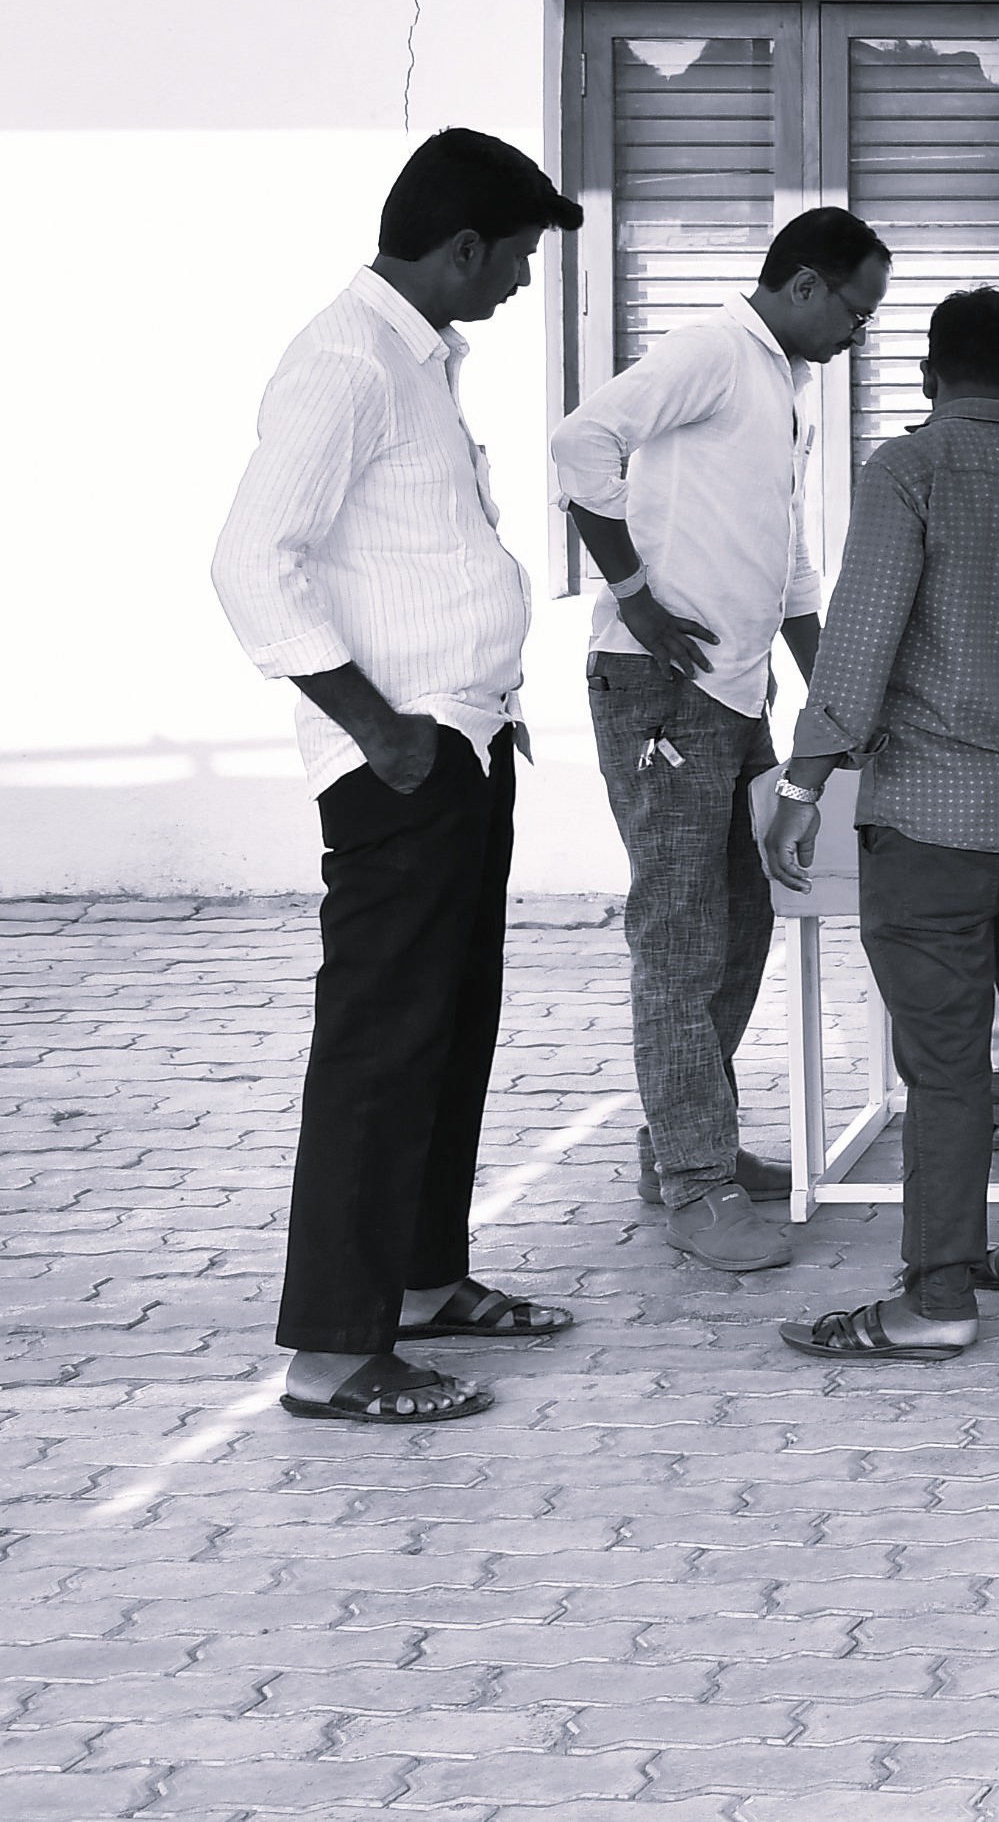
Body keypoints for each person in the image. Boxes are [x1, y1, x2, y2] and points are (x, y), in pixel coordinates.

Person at [213, 129, 589, 1427]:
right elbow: (254, 561)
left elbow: (421, 558)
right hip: (402, 761)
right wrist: (381, 726)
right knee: (380, 1048)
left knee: (449, 1026)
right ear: (463, 246)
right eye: (521, 257)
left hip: (464, 740)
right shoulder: (347, 361)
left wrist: (487, 705)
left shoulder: (423, 359)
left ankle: (425, 1280)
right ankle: (332, 1349)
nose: (526, 281)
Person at [763, 290, 999, 1361]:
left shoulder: (910, 471)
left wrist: (803, 785)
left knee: (942, 1060)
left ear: (931, 375)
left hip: (932, 818)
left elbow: (862, 638)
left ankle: (936, 1296)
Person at [548, 203, 888, 1273]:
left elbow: (782, 557)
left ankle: (683, 1141)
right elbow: (578, 441)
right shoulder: (712, 351)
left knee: (744, 922)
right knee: (682, 932)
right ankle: (696, 1184)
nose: (859, 336)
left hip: (733, 695)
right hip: (661, 686)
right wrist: (635, 592)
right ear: (801, 285)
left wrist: (830, 686)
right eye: (855, 310)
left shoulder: (778, 392)